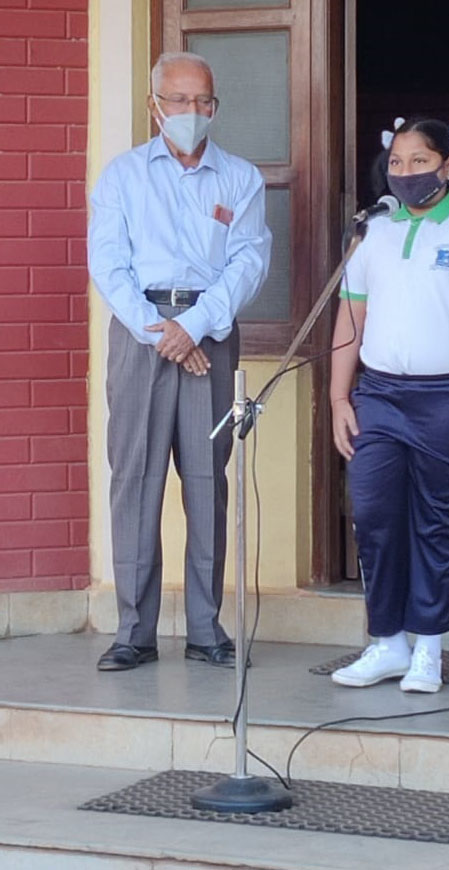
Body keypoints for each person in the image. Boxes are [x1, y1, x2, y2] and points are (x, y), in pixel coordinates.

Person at [88, 52, 271, 671]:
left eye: (204, 102)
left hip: (210, 333)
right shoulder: (122, 177)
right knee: (134, 480)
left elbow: (248, 263)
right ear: (154, 106)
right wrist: (161, 332)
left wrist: (192, 328)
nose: (193, 113)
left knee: (206, 481)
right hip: (141, 336)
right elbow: (109, 265)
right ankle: (133, 631)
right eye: (180, 101)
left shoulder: (239, 179)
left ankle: (205, 627)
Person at [330, 116, 449, 693]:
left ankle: (428, 649)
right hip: (382, 396)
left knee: (436, 521)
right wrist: (341, 394)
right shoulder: (374, 233)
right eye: (397, 163)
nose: (407, 173)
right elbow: (349, 318)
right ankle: (387, 642)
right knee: (373, 515)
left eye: (420, 161)